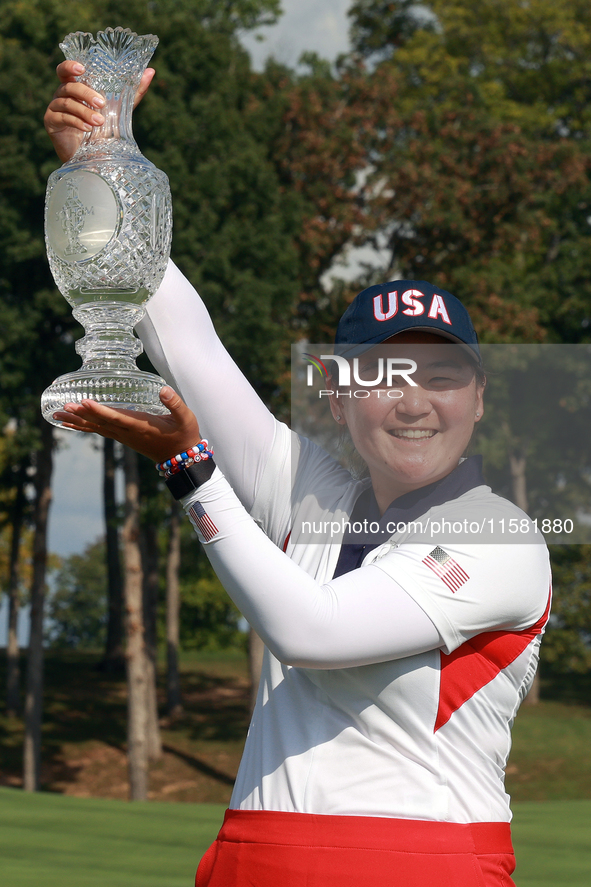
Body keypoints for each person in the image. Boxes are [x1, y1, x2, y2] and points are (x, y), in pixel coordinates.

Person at [45, 63, 551, 887]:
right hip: (253, 857)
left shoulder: (498, 533)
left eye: (441, 376)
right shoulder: (311, 489)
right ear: (341, 397)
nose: (413, 401)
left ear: (480, 399)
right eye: (382, 377)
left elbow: (310, 631)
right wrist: (102, 170)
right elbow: (188, 343)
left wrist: (190, 470)